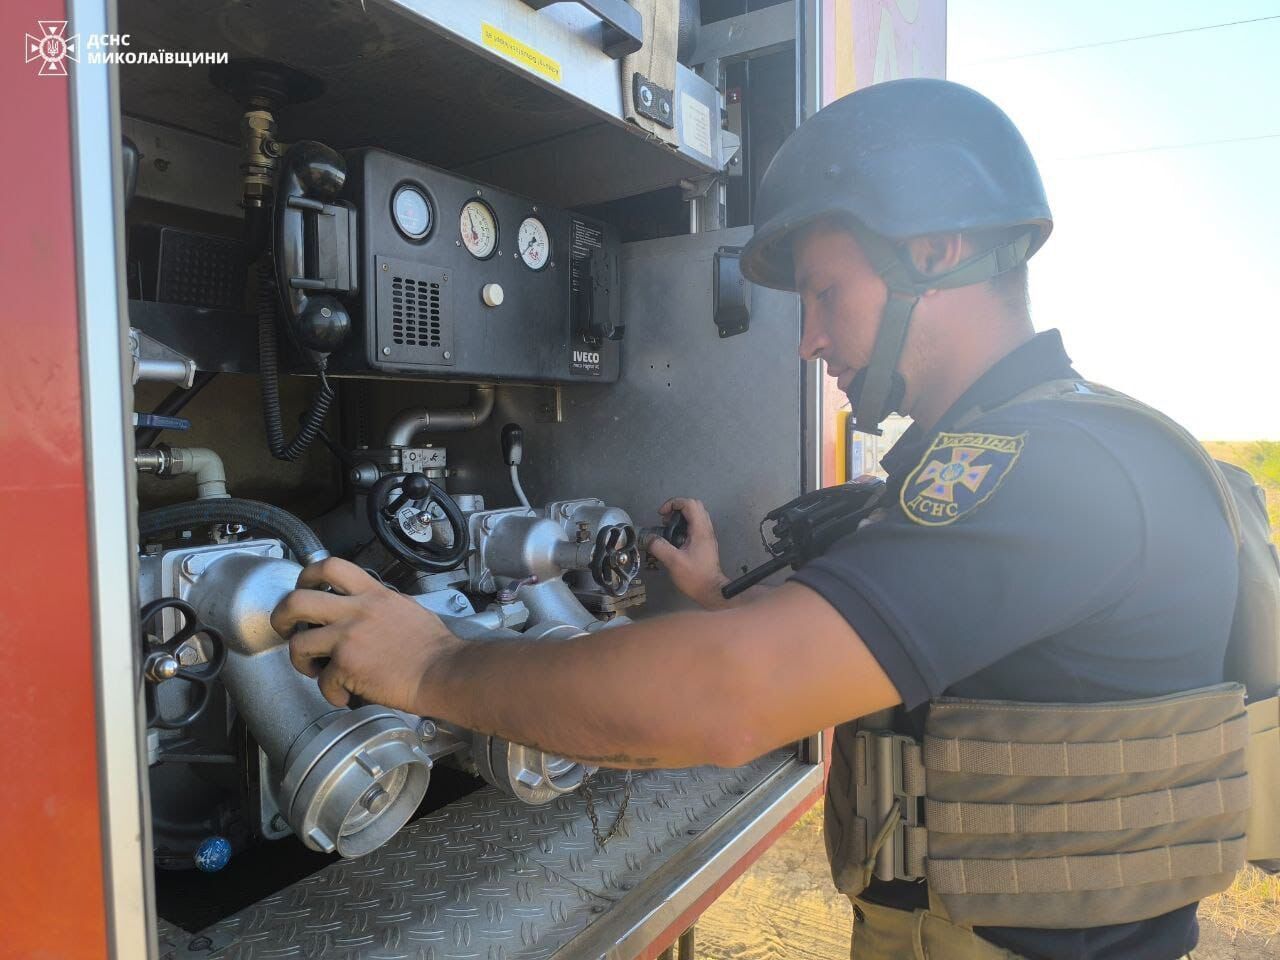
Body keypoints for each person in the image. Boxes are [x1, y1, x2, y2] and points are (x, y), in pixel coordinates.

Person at [270, 80, 1246, 959]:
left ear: (933, 252)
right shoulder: (1017, 457)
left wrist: (431, 666)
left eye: (826, 293)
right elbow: (924, 643)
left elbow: (727, 700)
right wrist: (717, 589)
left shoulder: (1050, 472)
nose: (809, 338)